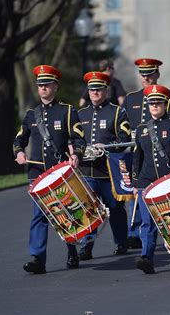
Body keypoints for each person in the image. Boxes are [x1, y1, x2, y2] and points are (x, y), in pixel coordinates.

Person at [13, 65, 86, 274]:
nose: (43, 88)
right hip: (37, 174)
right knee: (40, 215)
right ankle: (38, 258)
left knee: (65, 212)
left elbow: (79, 138)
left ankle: (72, 249)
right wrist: (19, 153)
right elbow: (19, 139)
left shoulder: (67, 111)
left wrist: (76, 154)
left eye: (47, 84)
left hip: (60, 171)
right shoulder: (30, 114)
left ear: (55, 86)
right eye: (40, 85)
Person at [132, 85, 170, 274]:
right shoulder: (141, 128)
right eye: (151, 103)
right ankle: (147, 257)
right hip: (146, 181)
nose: (155, 106)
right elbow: (137, 158)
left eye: (158, 103)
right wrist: (135, 184)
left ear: (166, 104)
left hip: (168, 180)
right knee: (148, 222)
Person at [121, 58, 170, 249]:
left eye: (150, 74)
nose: (146, 77)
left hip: (164, 153)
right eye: (143, 74)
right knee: (138, 194)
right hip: (141, 150)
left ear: (157, 74)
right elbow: (123, 124)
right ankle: (134, 234)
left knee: (167, 206)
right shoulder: (131, 98)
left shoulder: (169, 96)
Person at [76, 71, 132, 260]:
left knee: (115, 208)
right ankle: (86, 245)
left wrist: (107, 146)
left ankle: (121, 241)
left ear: (106, 90)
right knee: (88, 209)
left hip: (109, 171)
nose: (94, 92)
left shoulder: (117, 112)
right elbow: (74, 139)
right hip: (86, 171)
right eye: (91, 89)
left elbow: (124, 139)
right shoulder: (81, 113)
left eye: (98, 89)